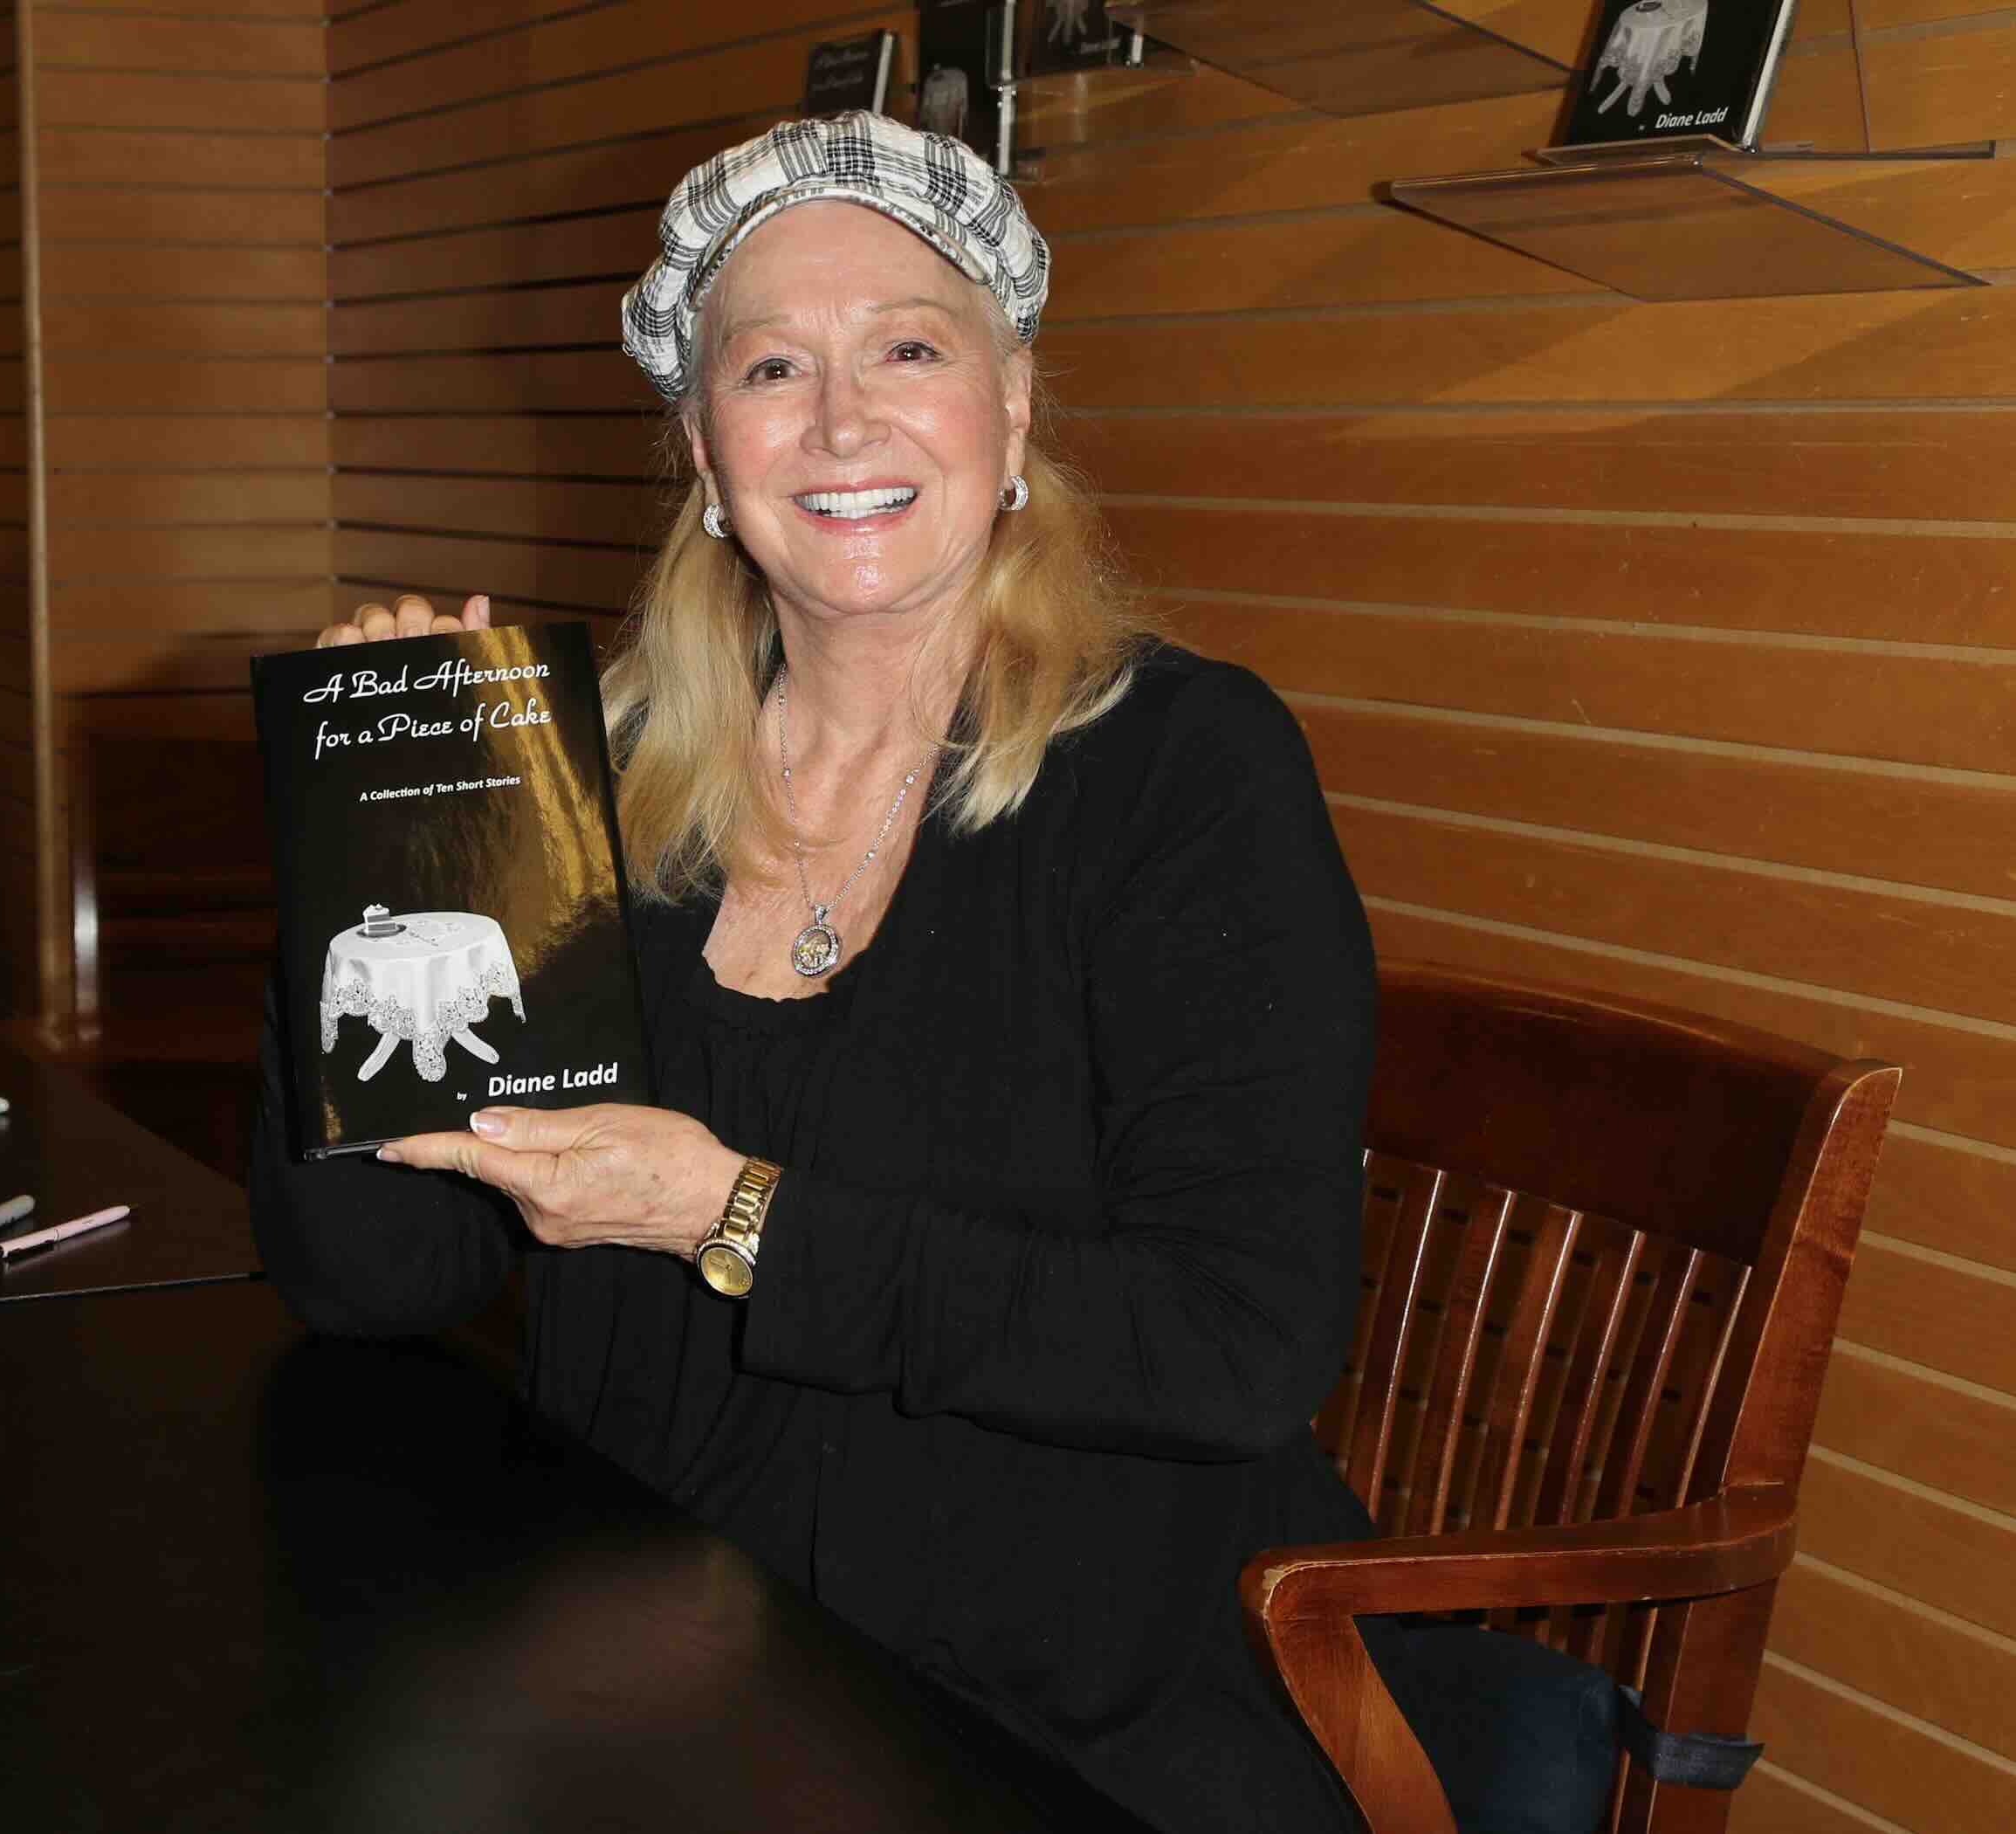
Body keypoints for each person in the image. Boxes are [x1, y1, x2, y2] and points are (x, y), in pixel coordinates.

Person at [252, 111, 1381, 1831]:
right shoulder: (594, 781)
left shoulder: (1184, 767)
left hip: (1058, 1719)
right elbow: (376, 1275)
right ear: (707, 453)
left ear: (1012, 409)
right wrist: (376, 851)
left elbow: (1234, 1346)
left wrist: (730, 1215)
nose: (842, 421)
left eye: (908, 350)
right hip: (645, 1664)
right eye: (772, 366)